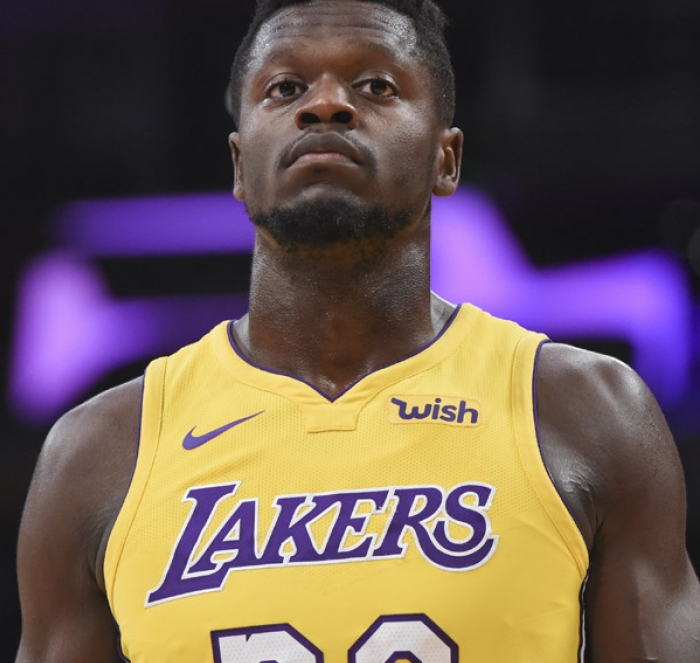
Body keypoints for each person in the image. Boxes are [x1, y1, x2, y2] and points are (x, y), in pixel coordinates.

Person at [14, 0, 700, 661]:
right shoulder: (101, 452)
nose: (325, 104)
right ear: (239, 166)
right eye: (285, 88)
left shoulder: (586, 412)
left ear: (446, 159)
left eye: (375, 86)